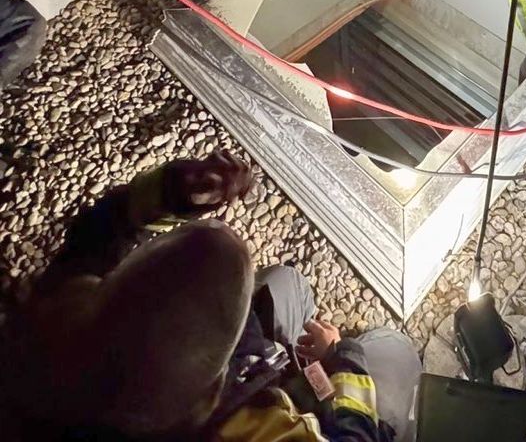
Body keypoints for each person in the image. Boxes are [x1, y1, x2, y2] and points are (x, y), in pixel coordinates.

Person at [0, 148, 420, 440]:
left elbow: (98, 237)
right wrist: (343, 357)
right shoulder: (247, 428)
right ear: (210, 396)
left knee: (286, 283)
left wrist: (175, 193)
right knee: (392, 350)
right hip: (294, 395)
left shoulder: (55, 337)